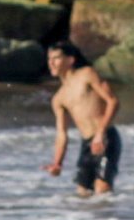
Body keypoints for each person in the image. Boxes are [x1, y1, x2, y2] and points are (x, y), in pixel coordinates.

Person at [43, 40, 121, 195]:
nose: (51, 63)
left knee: (102, 191)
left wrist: (100, 132)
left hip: (106, 138)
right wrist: (57, 163)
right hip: (86, 145)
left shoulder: (87, 74)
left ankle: (116, 211)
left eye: (56, 58)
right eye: (49, 59)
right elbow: (61, 134)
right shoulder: (59, 98)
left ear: (70, 60)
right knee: (82, 194)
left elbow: (113, 101)